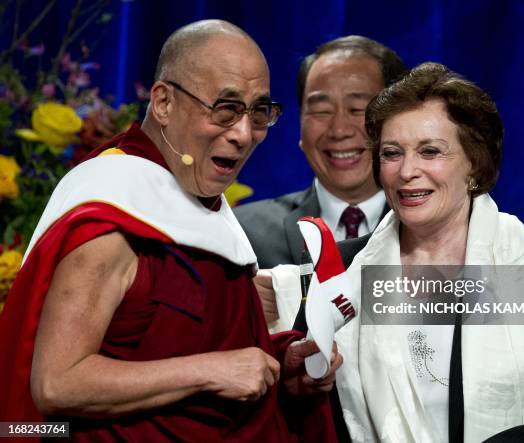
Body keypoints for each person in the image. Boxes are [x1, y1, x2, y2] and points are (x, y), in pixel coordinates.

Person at [0, 20, 341, 442]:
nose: (244, 134)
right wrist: (209, 372)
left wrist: (278, 367)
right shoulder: (113, 213)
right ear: (162, 102)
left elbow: (186, 351)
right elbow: (57, 384)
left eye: (259, 112)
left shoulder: (198, 204)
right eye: (226, 108)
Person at [332, 63, 524, 442]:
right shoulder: (343, 265)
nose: (406, 171)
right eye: (392, 153)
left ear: (475, 163)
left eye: (430, 151)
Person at [234, 36, 405, 329]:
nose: (339, 129)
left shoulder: (438, 232)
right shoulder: (240, 232)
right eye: (321, 111)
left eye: (358, 109)